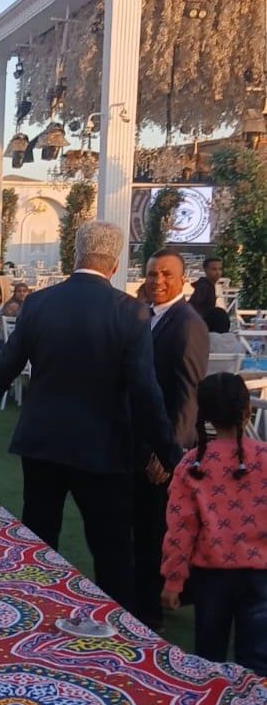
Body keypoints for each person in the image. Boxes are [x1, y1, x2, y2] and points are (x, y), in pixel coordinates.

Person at [0, 220, 180, 612]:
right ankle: (117, 628)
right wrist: (169, 452)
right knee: (111, 549)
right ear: (115, 264)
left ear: (76, 256)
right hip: (103, 447)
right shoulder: (130, 312)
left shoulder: (39, 303)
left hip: (43, 440)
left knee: (39, 538)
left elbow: (9, 359)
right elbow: (144, 389)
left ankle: (32, 612)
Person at [161, 373, 267, 674]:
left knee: (209, 660)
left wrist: (173, 581)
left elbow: (180, 530)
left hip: (211, 577)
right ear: (247, 410)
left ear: (203, 413)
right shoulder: (264, 458)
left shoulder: (191, 466)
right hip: (261, 575)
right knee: (258, 663)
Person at [133, 249, 210, 629]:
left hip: (165, 450)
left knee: (156, 533)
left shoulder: (187, 323)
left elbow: (189, 395)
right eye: (152, 274)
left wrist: (171, 453)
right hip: (142, 443)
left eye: (166, 274)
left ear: (183, 280)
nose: (158, 281)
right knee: (144, 529)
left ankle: (150, 614)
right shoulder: (149, 315)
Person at [188, 256, 222, 323]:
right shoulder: (203, 286)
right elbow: (193, 306)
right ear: (206, 270)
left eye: (220, 269)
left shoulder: (209, 285)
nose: (218, 272)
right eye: (214, 269)